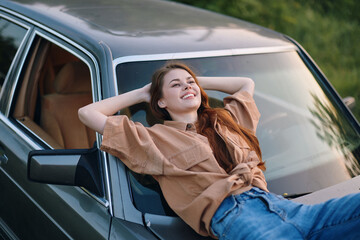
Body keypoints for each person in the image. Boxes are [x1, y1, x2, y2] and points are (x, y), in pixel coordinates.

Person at [78, 62, 360, 240]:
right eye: (175, 85)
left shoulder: (226, 120)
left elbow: (245, 84)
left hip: (285, 207)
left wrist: (196, 82)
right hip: (237, 217)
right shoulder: (152, 140)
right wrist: (143, 93)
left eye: (190, 82)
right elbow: (88, 113)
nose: (187, 86)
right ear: (161, 102)